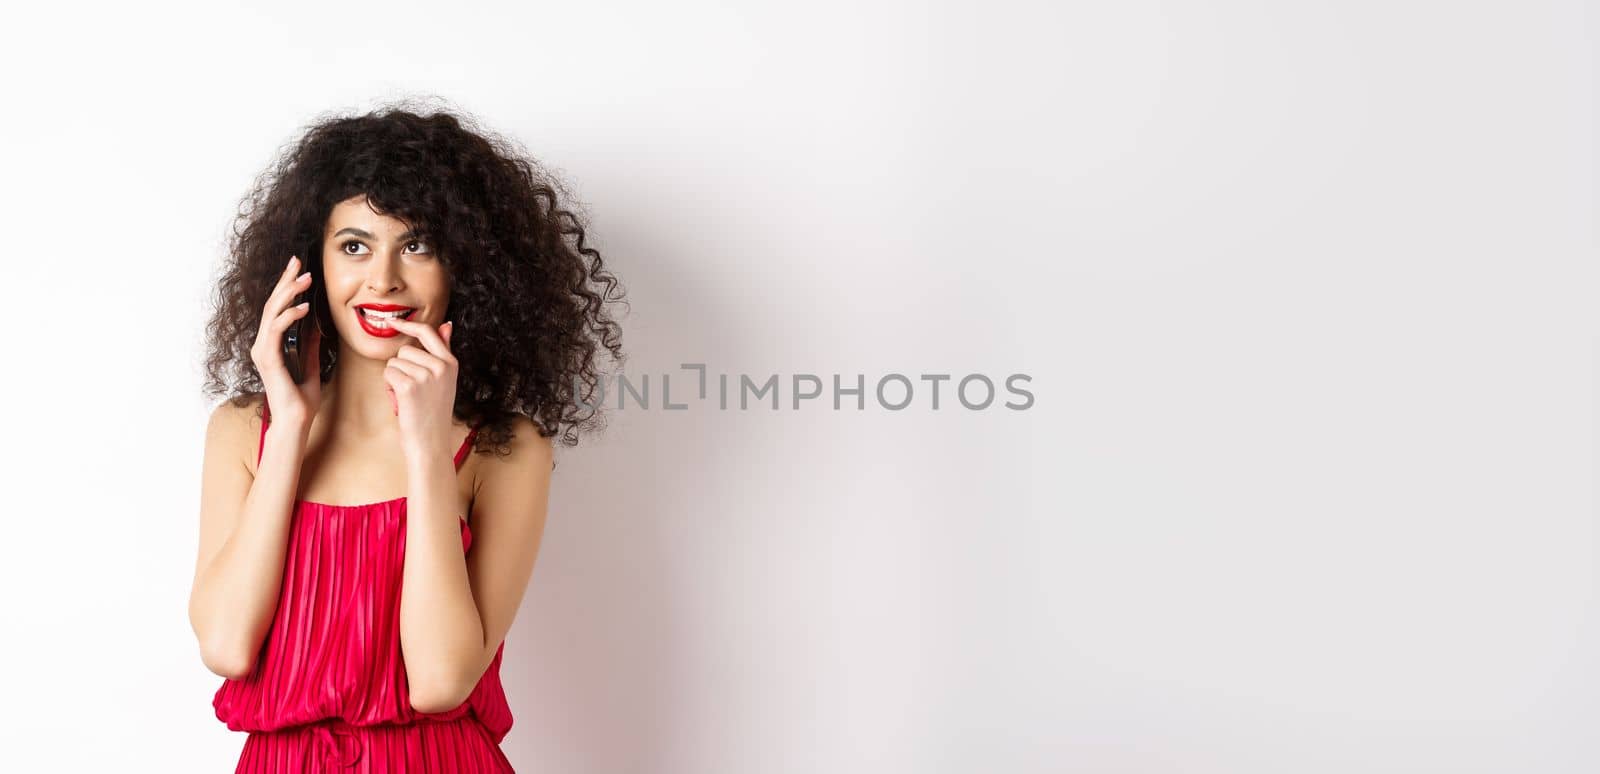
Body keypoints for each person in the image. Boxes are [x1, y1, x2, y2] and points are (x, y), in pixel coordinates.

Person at [189, 101, 627, 772]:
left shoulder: (502, 449)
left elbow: (441, 681)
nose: (384, 279)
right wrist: (291, 432)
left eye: (417, 245)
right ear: (309, 264)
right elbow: (225, 646)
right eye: (355, 245)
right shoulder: (246, 431)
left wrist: (426, 452)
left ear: (467, 268)